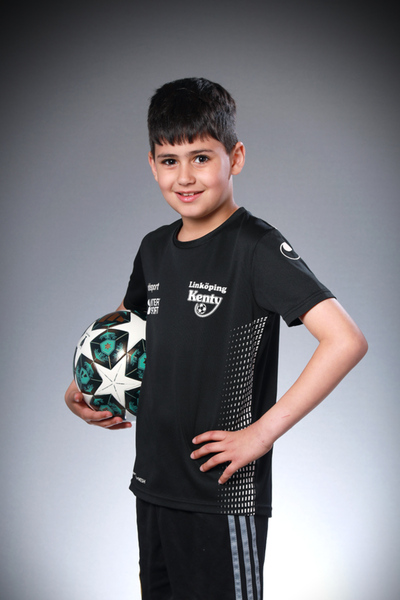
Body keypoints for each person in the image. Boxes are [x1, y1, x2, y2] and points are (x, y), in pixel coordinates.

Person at [65, 77, 368, 600]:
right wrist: (84, 386)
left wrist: (261, 435)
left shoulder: (255, 247)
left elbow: (346, 341)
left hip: (222, 494)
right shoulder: (153, 249)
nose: (184, 176)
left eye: (201, 158)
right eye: (169, 160)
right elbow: (120, 336)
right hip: (153, 485)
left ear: (236, 158)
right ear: (152, 165)